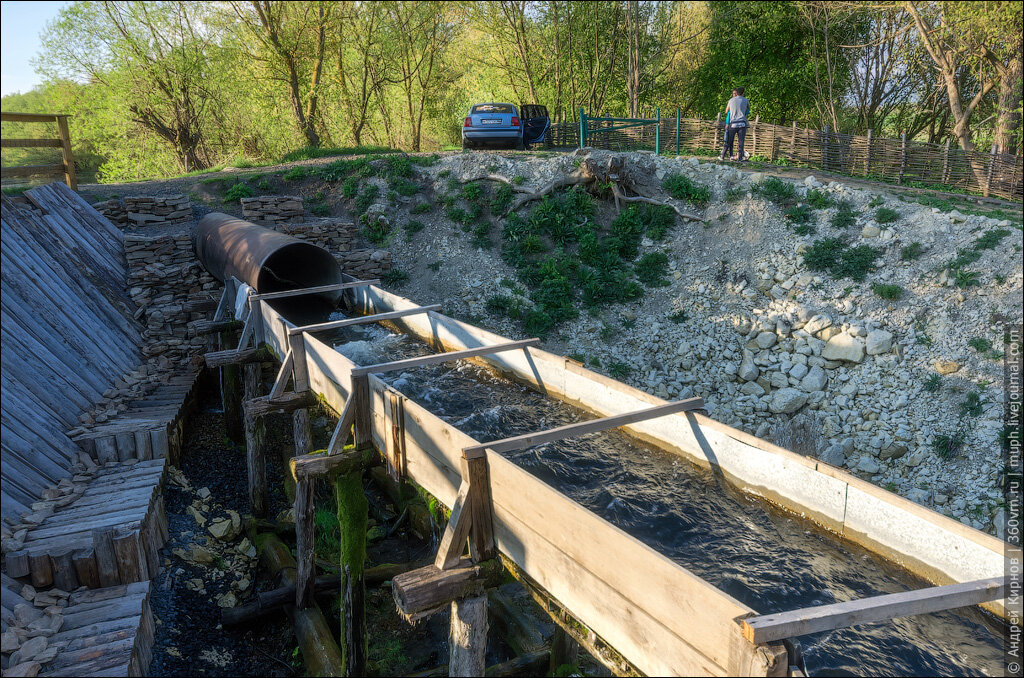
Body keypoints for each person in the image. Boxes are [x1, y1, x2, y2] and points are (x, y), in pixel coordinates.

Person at [719, 87, 750, 162]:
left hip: (733, 124)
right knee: (741, 142)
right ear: (743, 93)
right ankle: (740, 158)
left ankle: (722, 156)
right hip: (742, 124)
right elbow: (748, 108)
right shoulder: (745, 100)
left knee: (729, 141)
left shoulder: (731, 100)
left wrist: (732, 111)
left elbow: (727, 111)